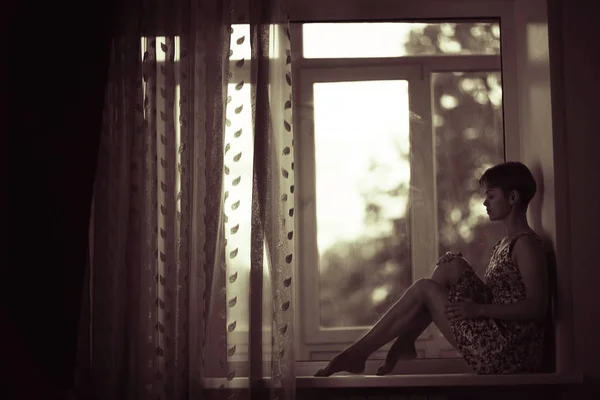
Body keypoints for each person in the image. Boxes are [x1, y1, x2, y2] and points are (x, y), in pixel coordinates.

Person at [315, 161, 549, 376]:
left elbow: (538, 307)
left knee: (424, 289)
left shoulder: (526, 244)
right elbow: (499, 296)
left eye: (491, 196)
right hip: (498, 336)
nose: (485, 203)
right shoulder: (505, 243)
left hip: (510, 354)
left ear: (513, 197)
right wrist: (460, 278)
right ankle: (406, 340)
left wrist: (477, 310)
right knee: (451, 266)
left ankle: (358, 354)